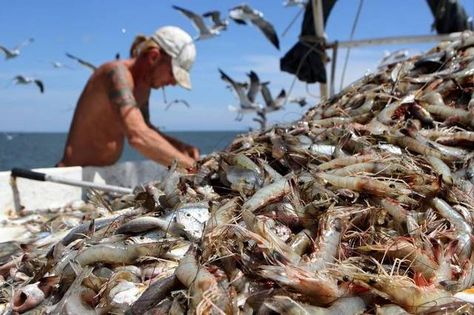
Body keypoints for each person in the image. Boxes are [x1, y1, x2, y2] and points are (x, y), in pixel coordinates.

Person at [57, 26, 200, 169]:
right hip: (71, 174)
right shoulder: (116, 73)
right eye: (172, 73)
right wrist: (192, 167)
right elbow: (138, 136)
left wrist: (180, 147)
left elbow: (145, 128)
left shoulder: (144, 88)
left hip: (101, 175)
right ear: (154, 57)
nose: (174, 83)